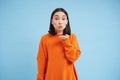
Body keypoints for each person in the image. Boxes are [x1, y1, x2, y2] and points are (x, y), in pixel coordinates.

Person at [36, 8, 81, 80]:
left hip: (68, 76)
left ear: (67, 21)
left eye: (63, 19)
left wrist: (66, 42)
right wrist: (40, 78)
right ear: (51, 21)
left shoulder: (72, 37)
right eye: (56, 19)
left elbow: (73, 58)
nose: (60, 22)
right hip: (51, 76)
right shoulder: (45, 38)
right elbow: (41, 60)